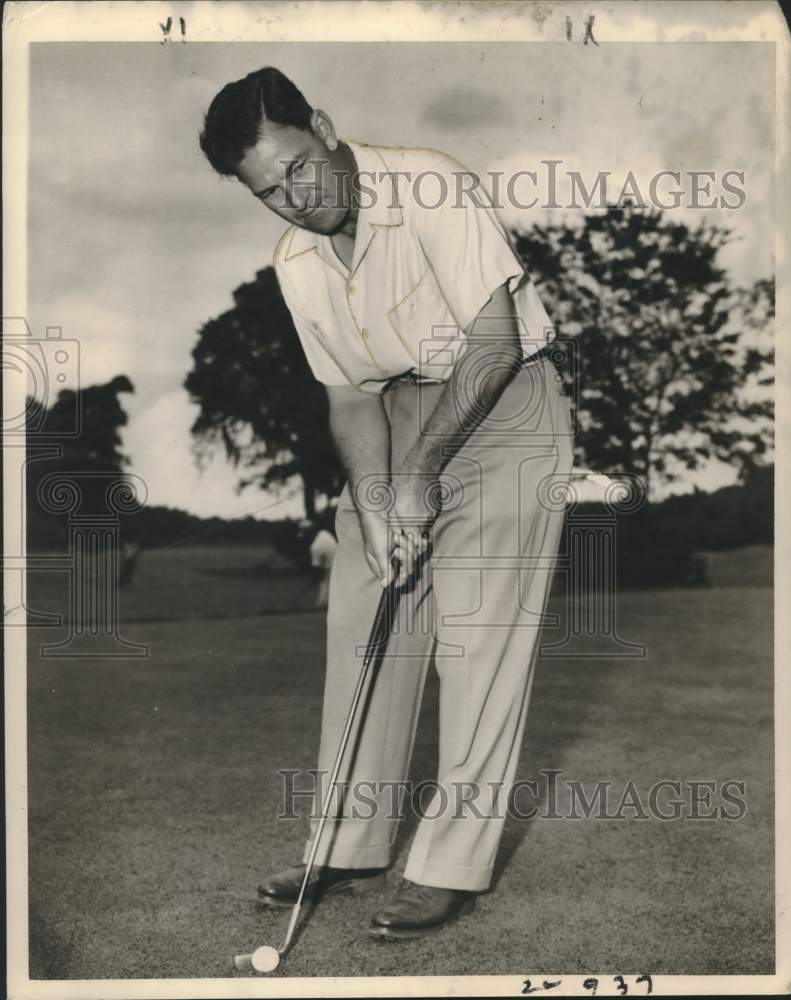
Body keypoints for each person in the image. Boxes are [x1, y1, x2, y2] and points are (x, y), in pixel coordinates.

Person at [199, 66, 574, 939]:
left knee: (476, 637)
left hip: (505, 405)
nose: (291, 199)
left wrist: (419, 474)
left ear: (324, 126)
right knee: (364, 612)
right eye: (267, 192)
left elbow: (493, 344)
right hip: (397, 414)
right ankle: (346, 839)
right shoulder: (297, 262)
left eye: (297, 169)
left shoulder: (428, 182)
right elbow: (348, 399)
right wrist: (376, 504)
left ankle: (448, 866)